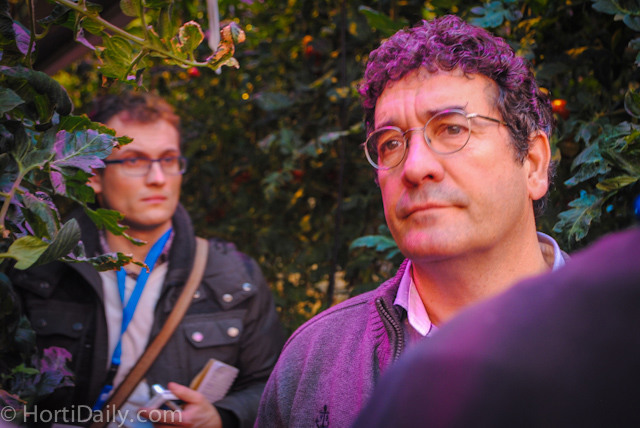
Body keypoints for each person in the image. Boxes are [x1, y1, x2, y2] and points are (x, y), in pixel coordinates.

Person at [255, 15, 569, 427]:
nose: (415, 167)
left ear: (533, 163)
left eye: (452, 128)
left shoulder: (622, 338)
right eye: (391, 143)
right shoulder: (312, 364)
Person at [12, 92, 284, 428]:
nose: (158, 178)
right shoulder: (37, 268)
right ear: (93, 175)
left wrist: (220, 416)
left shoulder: (234, 277)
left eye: (168, 159)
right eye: (134, 161)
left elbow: (272, 386)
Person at [353, 225, 640, 428]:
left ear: (535, 166)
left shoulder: (623, 326)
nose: (415, 168)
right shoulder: (326, 351)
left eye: (455, 137)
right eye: (390, 153)